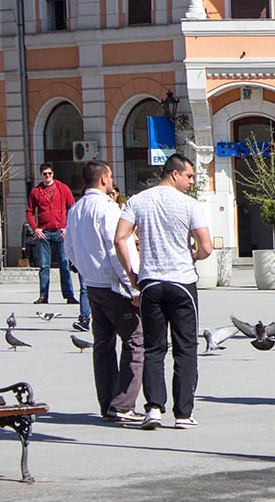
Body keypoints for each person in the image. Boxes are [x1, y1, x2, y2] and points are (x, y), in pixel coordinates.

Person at [114, 153, 212, 430]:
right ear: (174, 174)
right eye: (189, 176)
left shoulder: (138, 200)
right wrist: (192, 255)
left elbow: (119, 238)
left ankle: (154, 408)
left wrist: (132, 272)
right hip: (181, 282)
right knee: (185, 347)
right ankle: (183, 413)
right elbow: (205, 247)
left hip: (151, 282)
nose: (191, 181)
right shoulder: (190, 205)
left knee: (153, 348)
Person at [65, 160, 145, 422]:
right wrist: (132, 283)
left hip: (92, 285)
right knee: (135, 340)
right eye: (109, 177)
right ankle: (123, 403)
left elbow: (70, 250)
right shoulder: (108, 209)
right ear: (102, 179)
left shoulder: (75, 210)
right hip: (114, 285)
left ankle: (107, 401)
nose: (111, 180)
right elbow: (118, 248)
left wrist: (85, 271)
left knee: (103, 345)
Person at [26, 161, 77, 305]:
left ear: (53, 174)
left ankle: (69, 295)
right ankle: (43, 296)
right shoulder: (36, 191)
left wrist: (68, 227)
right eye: (44, 174)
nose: (47, 176)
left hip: (60, 232)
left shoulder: (63, 189)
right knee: (44, 265)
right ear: (41, 175)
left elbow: (72, 208)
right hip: (44, 233)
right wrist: (35, 228)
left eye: (49, 173)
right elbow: (29, 211)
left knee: (64, 264)